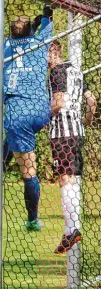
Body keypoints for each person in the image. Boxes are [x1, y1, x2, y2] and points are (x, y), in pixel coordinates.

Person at [3, 6, 54, 232]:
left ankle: (32, 219)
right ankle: (0, 162)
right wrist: (43, 15)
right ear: (30, 31)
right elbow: (48, 21)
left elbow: (19, 35)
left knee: (29, 173)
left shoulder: (2, 46)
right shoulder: (39, 42)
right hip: (41, 109)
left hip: (18, 112)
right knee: (10, 137)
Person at [48, 41, 97, 253]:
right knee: (73, 178)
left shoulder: (57, 71)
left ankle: (71, 230)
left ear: (53, 53)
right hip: (77, 132)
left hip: (62, 131)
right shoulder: (75, 70)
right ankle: (73, 228)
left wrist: (41, 118)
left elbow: (58, 102)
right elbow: (92, 100)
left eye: (45, 53)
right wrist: (85, 121)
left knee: (64, 178)